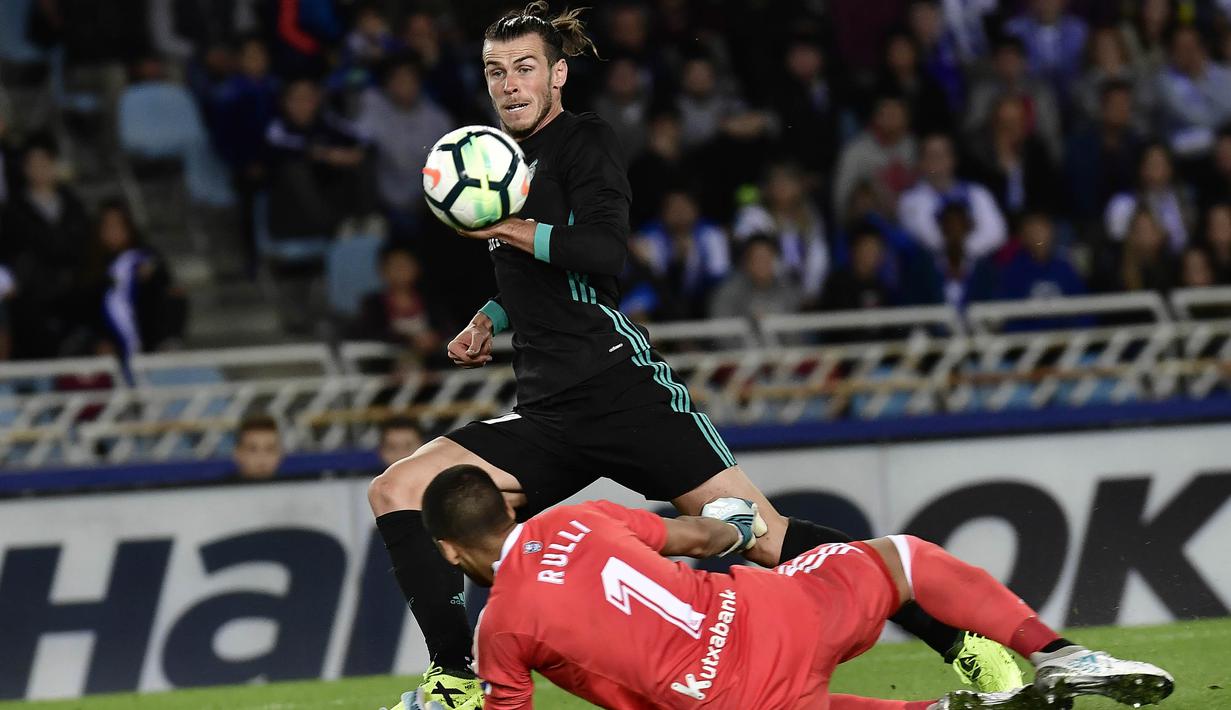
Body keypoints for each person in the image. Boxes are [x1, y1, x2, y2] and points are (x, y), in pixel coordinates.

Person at [367, 4, 1021, 707]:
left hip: (622, 394)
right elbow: (539, 279)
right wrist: (487, 316)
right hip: (549, 412)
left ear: (558, 74)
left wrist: (507, 225)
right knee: (397, 490)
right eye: (497, 72)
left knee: (766, 538)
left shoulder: (584, 143)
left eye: (525, 68)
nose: (510, 85)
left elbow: (605, 254)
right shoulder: (498, 163)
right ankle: (456, 678)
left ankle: (963, 642)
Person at [404, 464, 1174, 710]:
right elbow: (699, 535)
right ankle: (1063, 654)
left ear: (446, 550)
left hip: (730, 701)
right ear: (508, 507)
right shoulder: (585, 516)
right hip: (770, 613)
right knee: (901, 558)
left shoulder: (499, 629)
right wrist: (740, 528)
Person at [898, 133, 1008, 260]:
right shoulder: (910, 200)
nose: (937, 161)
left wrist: (962, 251)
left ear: (953, 159)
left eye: (941, 155)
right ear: (921, 162)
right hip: (931, 270)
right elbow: (926, 236)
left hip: (974, 265)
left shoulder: (977, 192)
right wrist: (954, 252)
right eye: (931, 156)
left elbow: (996, 233)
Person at [708, 235, 804, 320]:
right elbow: (722, 331)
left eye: (768, 258)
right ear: (746, 261)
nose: (763, 264)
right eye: (758, 258)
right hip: (744, 340)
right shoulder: (728, 292)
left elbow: (794, 331)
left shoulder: (787, 290)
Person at [232, 414, 284, 481]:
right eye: (252, 449)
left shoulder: (294, 488)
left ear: (280, 453)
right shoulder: (220, 490)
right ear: (237, 454)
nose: (262, 458)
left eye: (270, 449)